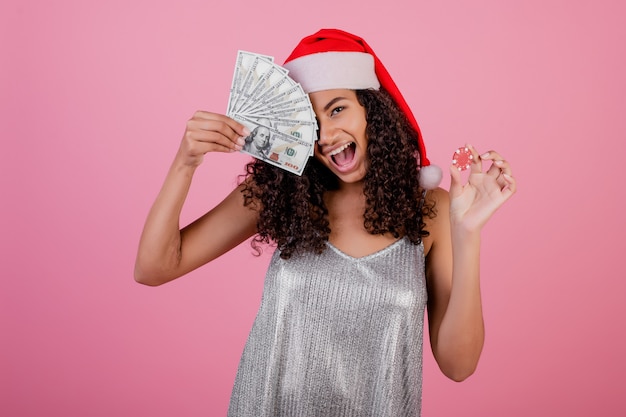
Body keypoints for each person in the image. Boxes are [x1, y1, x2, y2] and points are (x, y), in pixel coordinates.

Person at [134, 28, 516, 417]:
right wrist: (185, 162)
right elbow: (153, 268)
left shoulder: (429, 210)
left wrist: (467, 234)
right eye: (310, 122)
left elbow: (458, 365)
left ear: (372, 110)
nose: (327, 134)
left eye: (337, 109)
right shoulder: (279, 193)